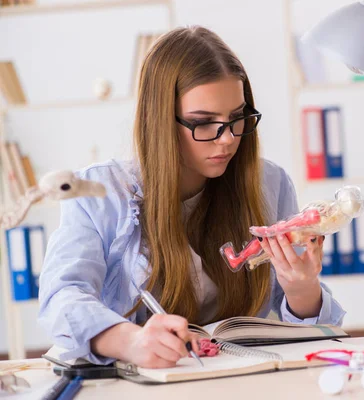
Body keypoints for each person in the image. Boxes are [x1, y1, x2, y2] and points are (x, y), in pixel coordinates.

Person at [38, 26, 345, 369]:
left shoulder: (269, 182)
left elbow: (305, 331)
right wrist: (131, 340)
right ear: (160, 122)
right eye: (204, 122)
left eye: (236, 118)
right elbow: (61, 296)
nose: (227, 139)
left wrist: (302, 288)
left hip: (244, 377)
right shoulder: (98, 192)